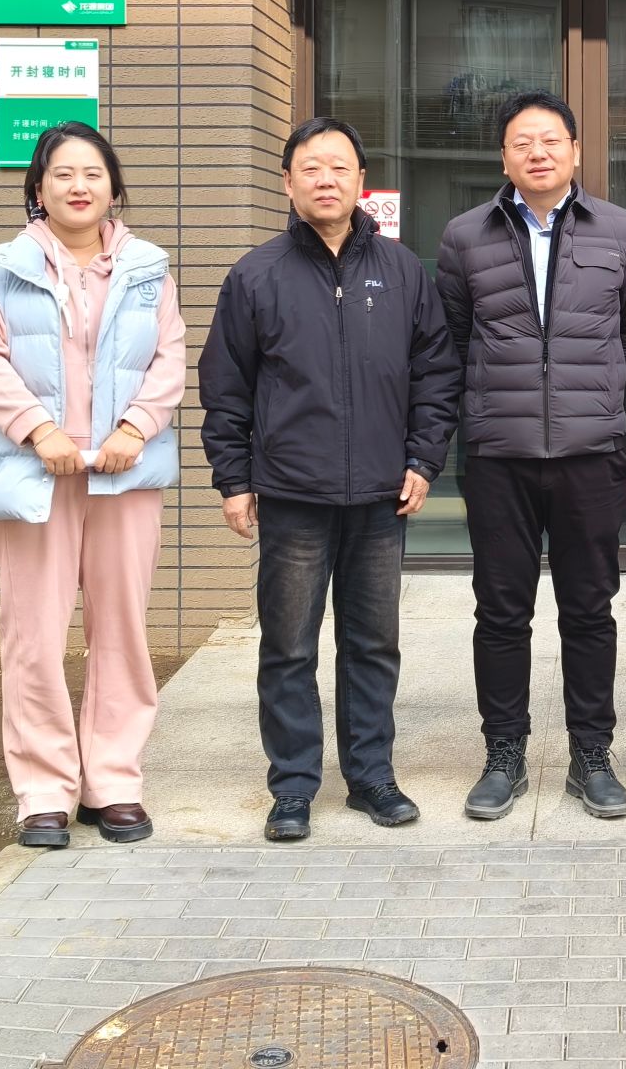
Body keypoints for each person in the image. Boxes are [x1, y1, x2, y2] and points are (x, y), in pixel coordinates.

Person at [198, 116, 460, 840]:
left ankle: (371, 776)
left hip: (380, 495)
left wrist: (423, 459)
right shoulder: (257, 275)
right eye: (310, 167)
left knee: (373, 644)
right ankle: (292, 786)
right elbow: (225, 387)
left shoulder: (401, 271)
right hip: (292, 495)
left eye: (340, 167)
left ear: (360, 181)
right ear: (287, 182)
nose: (326, 179)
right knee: (288, 646)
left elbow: (437, 374)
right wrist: (233, 479)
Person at [436, 91, 626, 821]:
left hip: (590, 454)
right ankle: (503, 752)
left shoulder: (621, 231)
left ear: (575, 151)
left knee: (589, 610)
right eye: (522, 142)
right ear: (503, 157)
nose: (537, 153)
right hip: (498, 454)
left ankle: (591, 755)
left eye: (550, 140)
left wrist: (597, 395)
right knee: (501, 612)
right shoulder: (465, 236)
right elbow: (453, 337)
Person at [0, 122, 185, 850]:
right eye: (62, 174)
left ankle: (113, 782)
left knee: (122, 630)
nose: (78, 186)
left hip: (125, 474)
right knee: (32, 634)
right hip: (36, 476)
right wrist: (39, 431)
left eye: (93, 173)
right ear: (38, 188)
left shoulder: (149, 269)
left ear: (114, 188)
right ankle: (43, 791)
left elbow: (171, 360)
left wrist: (134, 429)